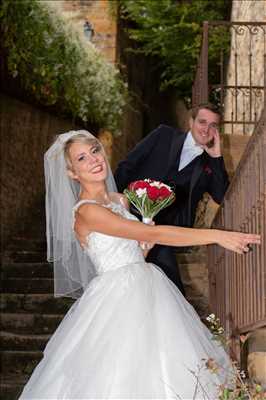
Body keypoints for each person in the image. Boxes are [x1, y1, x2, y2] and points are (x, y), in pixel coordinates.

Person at [19, 130, 260, 400]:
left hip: (148, 284)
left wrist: (143, 244)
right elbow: (153, 235)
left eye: (95, 150)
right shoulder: (86, 211)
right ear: (72, 172)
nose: (94, 160)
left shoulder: (119, 200)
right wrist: (218, 236)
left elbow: (138, 249)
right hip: (116, 299)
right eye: (82, 158)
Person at [114, 103, 229, 294]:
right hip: (130, 219)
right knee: (131, 278)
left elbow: (222, 197)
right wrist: (115, 206)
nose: (206, 129)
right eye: (202, 122)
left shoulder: (211, 163)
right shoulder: (163, 135)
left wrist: (217, 157)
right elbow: (128, 165)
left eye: (213, 125)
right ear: (190, 122)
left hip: (165, 232)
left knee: (170, 287)